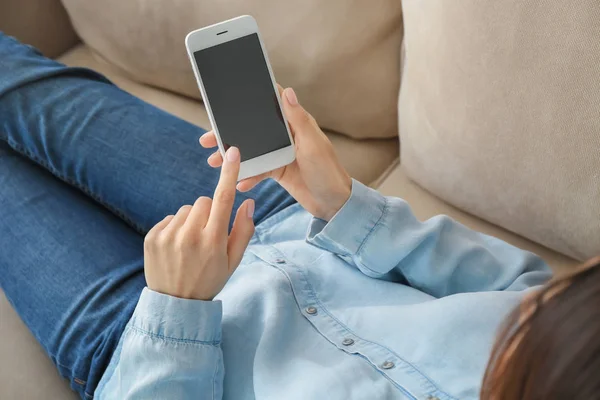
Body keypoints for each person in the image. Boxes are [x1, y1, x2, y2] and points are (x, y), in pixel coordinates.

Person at [0, 32, 598, 400]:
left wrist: (174, 313)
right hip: (285, 219)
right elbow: (518, 285)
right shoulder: (574, 325)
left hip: (134, 337)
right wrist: (341, 202)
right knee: (25, 85)